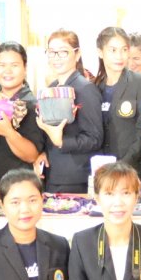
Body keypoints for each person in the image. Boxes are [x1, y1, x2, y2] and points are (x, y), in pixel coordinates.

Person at [35, 30, 103, 193]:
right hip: (52, 173)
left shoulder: (86, 89)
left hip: (75, 177)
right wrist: (43, 152)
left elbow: (95, 138)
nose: (56, 57)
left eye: (63, 52)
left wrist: (62, 142)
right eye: (52, 52)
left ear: (77, 54)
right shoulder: (51, 88)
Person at [95, 27, 141, 181]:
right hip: (104, 172)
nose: (119, 56)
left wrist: (123, 165)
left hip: (134, 171)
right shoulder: (96, 87)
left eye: (124, 50)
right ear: (100, 52)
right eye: (113, 50)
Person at [0, 42, 47, 183]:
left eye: (14, 65)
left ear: (25, 69)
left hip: (20, 182)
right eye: (2, 65)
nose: (7, 71)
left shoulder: (32, 105)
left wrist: (9, 132)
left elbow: (32, 155)